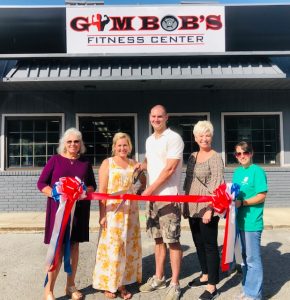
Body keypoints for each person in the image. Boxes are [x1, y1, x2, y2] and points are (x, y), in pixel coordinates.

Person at [37, 127, 96, 300]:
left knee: (74, 247)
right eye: (69, 141)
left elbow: (92, 186)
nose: (72, 144)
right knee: (57, 250)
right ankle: (48, 290)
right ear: (64, 143)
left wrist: (82, 190)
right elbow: (41, 183)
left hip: (78, 214)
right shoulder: (55, 160)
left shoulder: (85, 163)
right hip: (58, 213)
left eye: (76, 141)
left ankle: (71, 286)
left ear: (80, 144)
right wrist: (56, 193)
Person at [92, 132, 146, 299]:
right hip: (113, 211)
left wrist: (137, 191)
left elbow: (143, 181)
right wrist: (102, 216)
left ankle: (122, 282)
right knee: (113, 247)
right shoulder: (107, 163)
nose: (122, 148)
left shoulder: (134, 163)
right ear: (114, 147)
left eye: (125, 145)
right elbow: (101, 191)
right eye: (119, 145)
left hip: (131, 211)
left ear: (129, 147)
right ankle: (110, 284)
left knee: (127, 247)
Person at [139, 105, 184, 300]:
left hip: (168, 198)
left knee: (172, 240)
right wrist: (139, 167)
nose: (156, 119)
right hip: (152, 200)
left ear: (167, 117)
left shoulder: (174, 138)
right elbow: (151, 163)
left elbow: (169, 169)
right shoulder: (149, 140)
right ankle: (159, 277)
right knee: (158, 239)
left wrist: (150, 190)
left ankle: (174, 283)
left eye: (160, 116)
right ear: (150, 117)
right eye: (153, 116)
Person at [183, 120, 224, 300]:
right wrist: (185, 204)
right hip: (192, 206)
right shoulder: (192, 156)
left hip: (207, 208)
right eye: (201, 135)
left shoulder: (215, 157)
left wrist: (210, 209)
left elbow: (217, 184)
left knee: (210, 246)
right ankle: (205, 274)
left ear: (212, 136)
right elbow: (188, 181)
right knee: (198, 243)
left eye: (207, 135)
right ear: (195, 137)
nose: (204, 138)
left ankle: (212, 285)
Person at [233, 141, 268, 300]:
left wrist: (244, 203)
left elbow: (261, 196)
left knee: (253, 259)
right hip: (239, 221)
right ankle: (248, 289)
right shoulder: (237, 172)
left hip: (252, 222)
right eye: (238, 154)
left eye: (245, 153)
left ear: (251, 153)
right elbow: (234, 195)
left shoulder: (257, 171)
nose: (242, 156)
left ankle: (255, 295)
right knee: (243, 259)